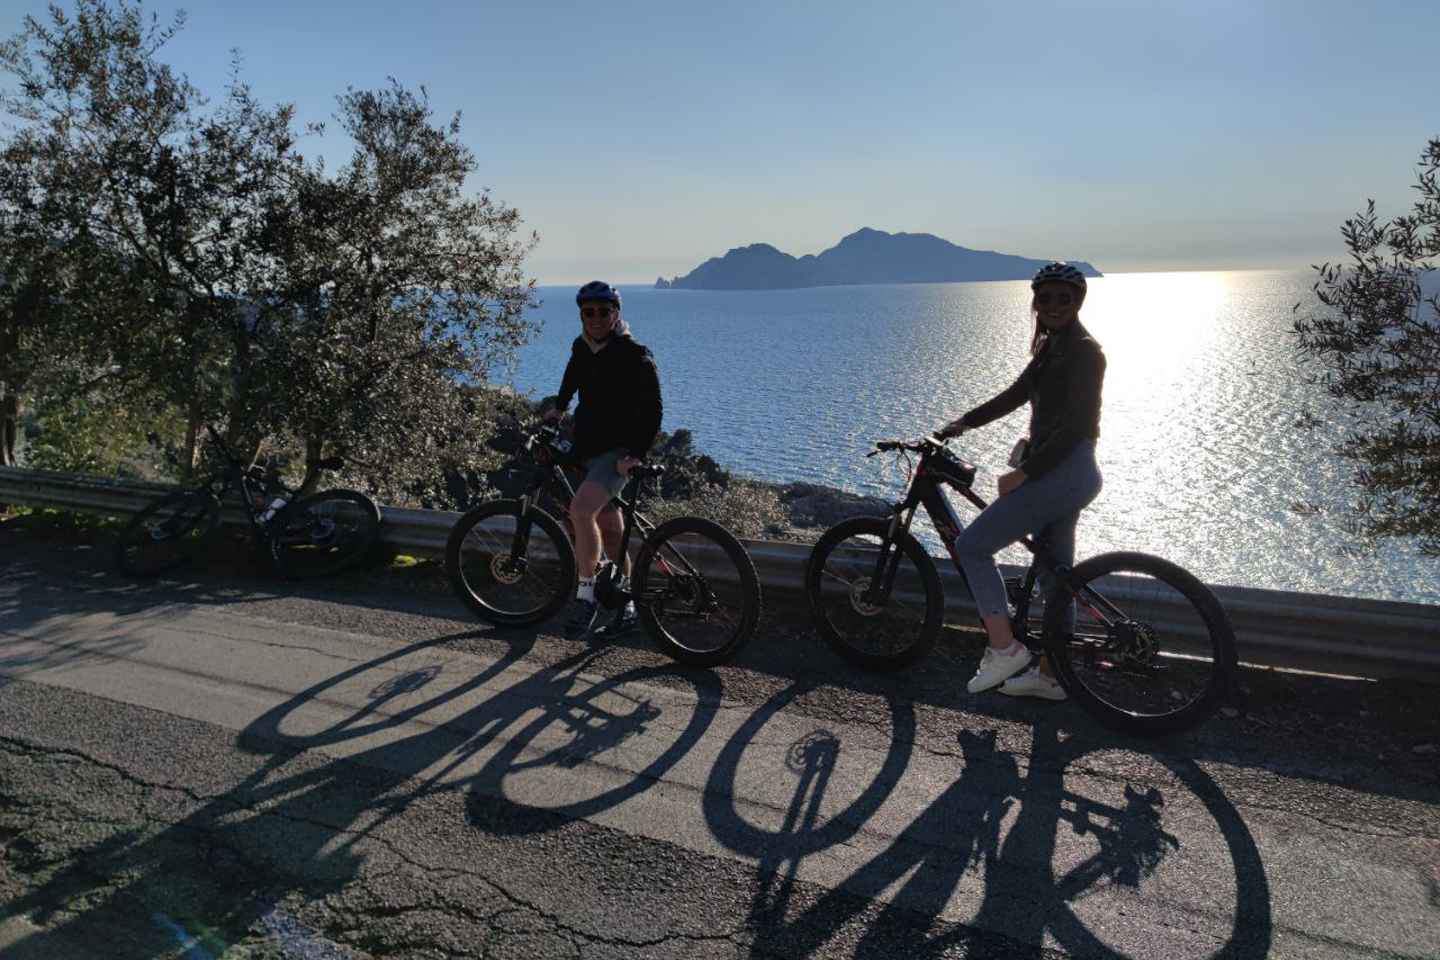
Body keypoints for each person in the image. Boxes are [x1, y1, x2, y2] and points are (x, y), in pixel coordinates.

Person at [938, 261, 1106, 700]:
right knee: (1056, 577)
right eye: (1044, 297)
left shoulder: (1087, 352)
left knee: (972, 547)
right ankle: (1051, 676)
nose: (1052, 305)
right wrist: (961, 424)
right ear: (1035, 301)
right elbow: (1014, 395)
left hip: (1064, 469)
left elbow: (1074, 429)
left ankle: (1004, 649)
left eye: (1063, 298)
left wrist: (1023, 474)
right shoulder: (1052, 349)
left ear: (1078, 301)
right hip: (1066, 472)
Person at [545, 281, 663, 638]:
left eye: (603, 311)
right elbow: (572, 376)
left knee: (581, 512)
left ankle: (586, 598)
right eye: (588, 312)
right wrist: (559, 408)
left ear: (616, 314)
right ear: (582, 314)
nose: (595, 318)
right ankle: (627, 604)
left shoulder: (635, 354)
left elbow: (654, 410)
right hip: (586, 449)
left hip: (616, 455)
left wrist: (635, 455)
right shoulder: (582, 347)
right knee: (611, 532)